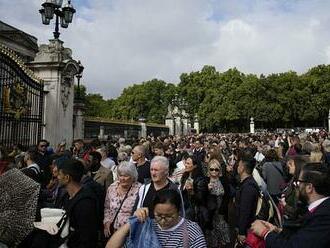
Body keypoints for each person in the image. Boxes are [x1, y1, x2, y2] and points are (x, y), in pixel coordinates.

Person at [251, 164, 330, 248]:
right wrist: (277, 230)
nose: (297, 186)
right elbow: (302, 236)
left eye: (299, 182)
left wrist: (265, 233)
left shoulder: (324, 217)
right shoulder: (317, 208)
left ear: (309, 188)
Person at [106, 189, 207, 248]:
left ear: (179, 211)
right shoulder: (145, 227)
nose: (163, 220)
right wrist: (132, 222)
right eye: (158, 215)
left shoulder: (191, 230)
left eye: (169, 216)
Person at [57, 159, 99, 247]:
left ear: (67, 177)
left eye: (59, 174)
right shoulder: (66, 196)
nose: (57, 177)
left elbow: (87, 238)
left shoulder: (85, 203)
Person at [104, 161, 141, 237]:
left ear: (132, 176)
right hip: (113, 231)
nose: (122, 178)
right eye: (120, 175)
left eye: (126, 176)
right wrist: (106, 222)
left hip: (131, 233)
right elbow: (107, 207)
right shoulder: (112, 187)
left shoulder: (140, 189)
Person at [204, 159, 230, 247]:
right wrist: (206, 189)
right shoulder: (205, 181)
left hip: (221, 213)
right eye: (211, 169)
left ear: (219, 170)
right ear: (208, 169)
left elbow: (227, 196)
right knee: (211, 233)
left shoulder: (224, 180)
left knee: (222, 237)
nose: (214, 171)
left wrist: (223, 208)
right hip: (210, 213)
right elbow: (201, 198)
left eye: (216, 169)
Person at [180, 155, 209, 231]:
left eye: (188, 163)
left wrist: (192, 191)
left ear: (195, 166)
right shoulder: (185, 176)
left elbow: (200, 199)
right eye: (186, 163)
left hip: (194, 210)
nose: (186, 165)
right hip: (184, 206)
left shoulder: (200, 180)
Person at [235, 155, 259, 246]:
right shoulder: (246, 183)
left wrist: (241, 232)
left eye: (238, 165)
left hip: (247, 229)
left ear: (242, 168)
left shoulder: (248, 187)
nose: (237, 167)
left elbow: (245, 211)